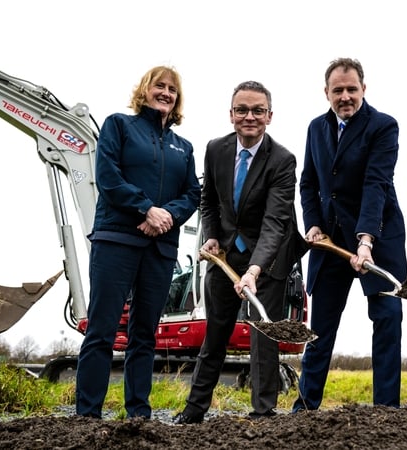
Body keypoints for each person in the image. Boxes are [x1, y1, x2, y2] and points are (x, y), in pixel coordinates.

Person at [172, 81, 304, 424]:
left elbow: (276, 222)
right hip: (226, 257)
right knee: (215, 333)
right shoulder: (216, 149)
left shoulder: (282, 160)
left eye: (258, 111)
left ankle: (263, 412)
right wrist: (213, 236)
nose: (250, 117)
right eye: (242, 110)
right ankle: (194, 409)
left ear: (269, 116)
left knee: (263, 335)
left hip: (269, 259)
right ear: (231, 114)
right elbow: (209, 201)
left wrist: (255, 270)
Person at [76, 66, 201, 419]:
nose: (165, 92)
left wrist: (165, 216)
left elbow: (192, 193)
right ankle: (87, 415)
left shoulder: (183, 147)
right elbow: (107, 177)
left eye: (172, 89)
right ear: (144, 90)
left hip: (160, 248)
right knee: (102, 329)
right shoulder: (119, 126)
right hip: (117, 240)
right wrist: (145, 209)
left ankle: (138, 414)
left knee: (144, 333)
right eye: (158, 86)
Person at [293, 58, 407, 411]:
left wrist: (366, 240)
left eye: (351, 89)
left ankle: (386, 412)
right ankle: (305, 407)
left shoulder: (383, 126)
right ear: (326, 92)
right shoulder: (316, 128)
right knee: (320, 328)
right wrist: (312, 224)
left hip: (378, 239)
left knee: (387, 319)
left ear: (364, 89)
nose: (345, 96)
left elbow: (377, 183)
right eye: (337, 90)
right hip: (329, 242)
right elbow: (309, 183)